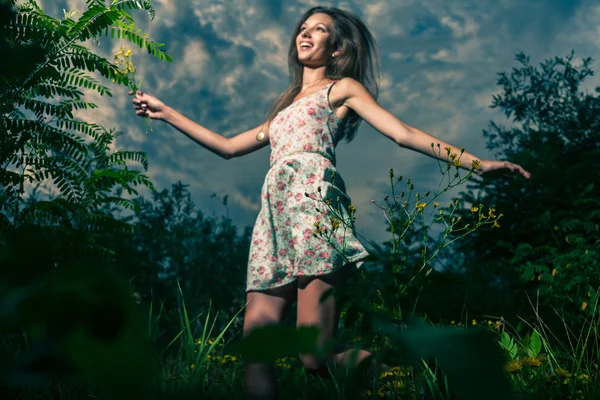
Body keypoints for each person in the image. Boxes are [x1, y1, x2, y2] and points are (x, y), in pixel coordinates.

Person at [130, 5, 530, 399]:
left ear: (337, 48)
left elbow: (403, 133)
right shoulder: (284, 109)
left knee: (315, 357)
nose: (304, 33)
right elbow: (229, 147)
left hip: (313, 212)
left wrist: (478, 165)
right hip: (273, 223)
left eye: (318, 29)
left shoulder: (340, 90)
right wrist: (168, 114)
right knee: (255, 349)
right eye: (302, 28)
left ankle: (403, 378)